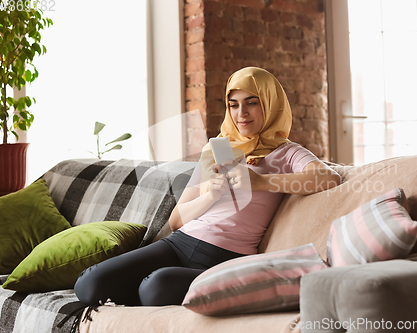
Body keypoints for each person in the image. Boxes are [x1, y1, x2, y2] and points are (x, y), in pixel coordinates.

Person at [74, 67, 341, 307]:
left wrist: (261, 181)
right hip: (179, 243)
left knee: (155, 287)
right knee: (88, 285)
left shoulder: (287, 152)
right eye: (233, 104)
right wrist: (210, 195)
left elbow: (328, 178)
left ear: (271, 104)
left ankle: (139, 293)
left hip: (226, 255)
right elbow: (177, 220)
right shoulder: (218, 148)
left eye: (251, 103)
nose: (241, 114)